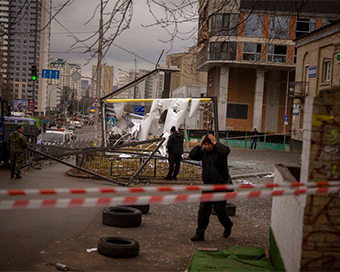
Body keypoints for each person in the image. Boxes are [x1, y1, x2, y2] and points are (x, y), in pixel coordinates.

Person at [189, 133, 233, 242]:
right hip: (208, 186)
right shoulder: (203, 152)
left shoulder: (220, 151)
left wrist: (215, 142)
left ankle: (228, 225)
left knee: (219, 210)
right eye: (206, 144)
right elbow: (192, 156)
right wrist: (199, 145)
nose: (207, 147)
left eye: (209, 144)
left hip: (220, 185)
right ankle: (200, 233)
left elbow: (226, 151)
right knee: (203, 211)